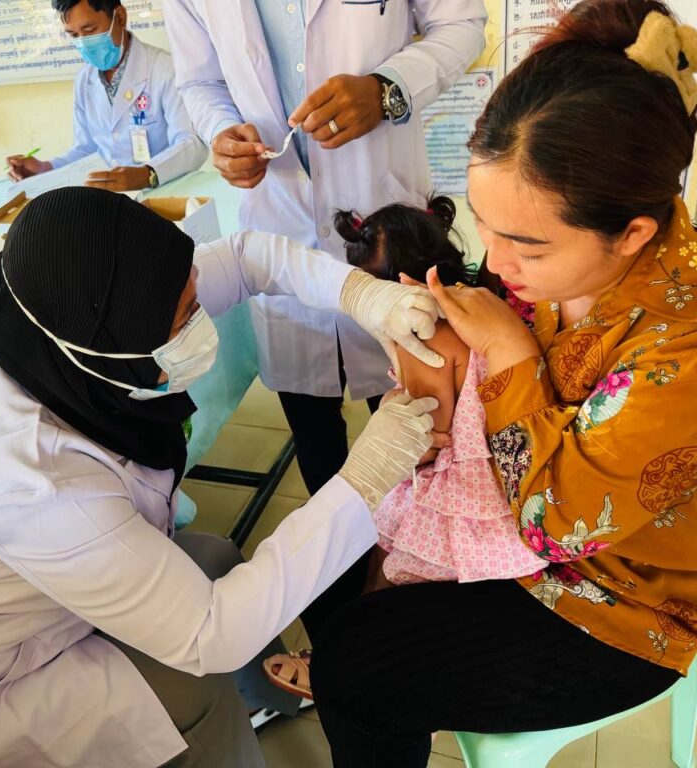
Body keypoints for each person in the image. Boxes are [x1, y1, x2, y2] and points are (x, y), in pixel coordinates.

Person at [298, 1, 697, 765]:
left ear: (632, 233)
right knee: (339, 576)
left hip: (613, 598)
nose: (496, 264)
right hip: (522, 527)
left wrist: (505, 348)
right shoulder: (577, 260)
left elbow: (554, 525)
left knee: (356, 667)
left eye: (526, 246)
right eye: (485, 226)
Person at [0, 187, 447, 768]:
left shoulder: (65, 323)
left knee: (216, 557)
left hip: (31, 605)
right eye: (186, 315)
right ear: (113, 348)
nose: (201, 323)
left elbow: (246, 257)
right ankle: (222, 735)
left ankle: (268, 700)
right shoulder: (29, 481)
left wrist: (362, 294)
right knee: (194, 684)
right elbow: (213, 635)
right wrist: (367, 477)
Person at [163, 0, 487, 497]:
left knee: (422, 423)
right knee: (314, 435)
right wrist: (220, 132)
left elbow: (461, 23)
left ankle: (418, 535)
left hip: (385, 218)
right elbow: (199, 80)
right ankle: (336, 540)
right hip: (278, 214)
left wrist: (387, 88)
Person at [262, 197, 546, 699]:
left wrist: (385, 440)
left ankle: (354, 675)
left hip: (458, 490)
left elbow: (428, 439)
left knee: (387, 569)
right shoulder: (479, 301)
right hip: (505, 479)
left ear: (396, 287)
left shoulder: (425, 337)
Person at [6, 0, 206, 193]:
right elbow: (86, 150)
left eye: (90, 30)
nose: (83, 43)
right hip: (108, 200)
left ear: (120, 17)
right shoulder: (84, 80)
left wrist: (148, 174)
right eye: (73, 35)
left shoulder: (165, 69)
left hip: (165, 193)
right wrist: (46, 169)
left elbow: (191, 143)